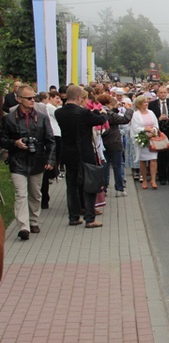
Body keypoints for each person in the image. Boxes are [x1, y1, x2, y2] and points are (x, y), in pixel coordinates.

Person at [0, 85, 56, 239]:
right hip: (17, 161)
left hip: (37, 160)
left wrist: (50, 159)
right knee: (20, 194)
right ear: (19, 99)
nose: (33, 101)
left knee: (35, 194)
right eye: (29, 98)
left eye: (34, 98)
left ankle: (33, 221)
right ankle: (23, 227)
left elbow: (50, 141)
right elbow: (2, 139)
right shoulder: (9, 119)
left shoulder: (42, 118)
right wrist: (15, 143)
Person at [55, 85, 108, 228]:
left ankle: (74, 217)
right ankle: (90, 218)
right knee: (89, 184)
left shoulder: (59, 113)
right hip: (84, 152)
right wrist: (102, 112)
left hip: (68, 152)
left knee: (71, 185)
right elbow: (100, 120)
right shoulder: (83, 113)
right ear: (79, 97)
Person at [99, 94, 133, 197]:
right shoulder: (110, 114)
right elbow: (125, 120)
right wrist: (129, 109)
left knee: (104, 167)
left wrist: (115, 108)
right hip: (114, 142)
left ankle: (104, 189)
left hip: (103, 143)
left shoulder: (99, 112)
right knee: (117, 166)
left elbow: (111, 115)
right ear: (108, 103)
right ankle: (119, 189)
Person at [148, 86, 169, 185]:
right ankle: (162, 177)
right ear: (157, 94)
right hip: (159, 131)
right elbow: (150, 119)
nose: (163, 94)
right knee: (161, 154)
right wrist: (159, 119)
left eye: (164, 92)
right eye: (161, 93)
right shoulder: (152, 104)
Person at [131, 95, 160, 190]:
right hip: (142, 139)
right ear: (139, 104)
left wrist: (153, 131)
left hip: (152, 139)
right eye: (144, 102)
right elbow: (135, 128)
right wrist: (145, 129)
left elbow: (156, 124)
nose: (146, 104)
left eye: (147, 102)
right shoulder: (136, 114)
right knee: (143, 160)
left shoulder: (151, 112)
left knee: (153, 160)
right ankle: (144, 180)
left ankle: (153, 180)